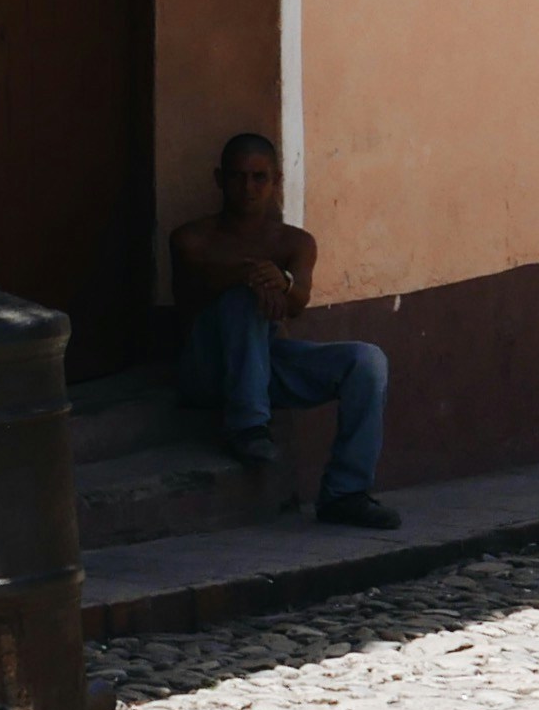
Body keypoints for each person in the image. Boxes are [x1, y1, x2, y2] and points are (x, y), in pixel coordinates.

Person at [170, 133, 398, 530]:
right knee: (241, 299)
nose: (248, 188)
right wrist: (247, 278)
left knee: (367, 361)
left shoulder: (294, 242)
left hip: (264, 365)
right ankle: (248, 426)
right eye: (238, 177)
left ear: (276, 181)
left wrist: (281, 284)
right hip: (207, 369)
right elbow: (193, 291)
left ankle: (346, 493)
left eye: (259, 178)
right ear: (219, 179)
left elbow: (299, 301)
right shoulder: (192, 238)